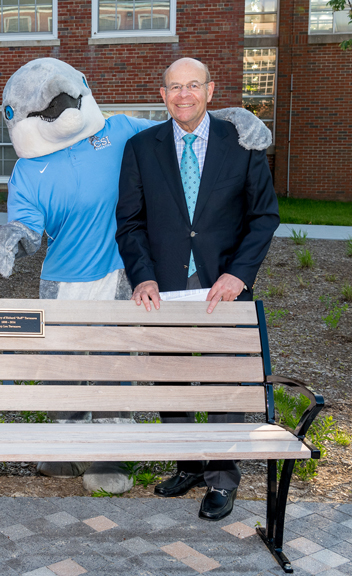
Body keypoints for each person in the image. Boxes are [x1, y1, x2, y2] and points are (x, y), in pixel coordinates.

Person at [115, 57, 279, 521]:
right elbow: (129, 222)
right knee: (171, 381)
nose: (182, 95)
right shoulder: (141, 148)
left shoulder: (241, 142)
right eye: (173, 87)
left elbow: (264, 216)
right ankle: (188, 463)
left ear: (211, 90)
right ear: (162, 94)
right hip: (163, 287)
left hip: (222, 286)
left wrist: (239, 274)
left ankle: (223, 479)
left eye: (192, 86)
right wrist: (142, 275)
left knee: (224, 384)